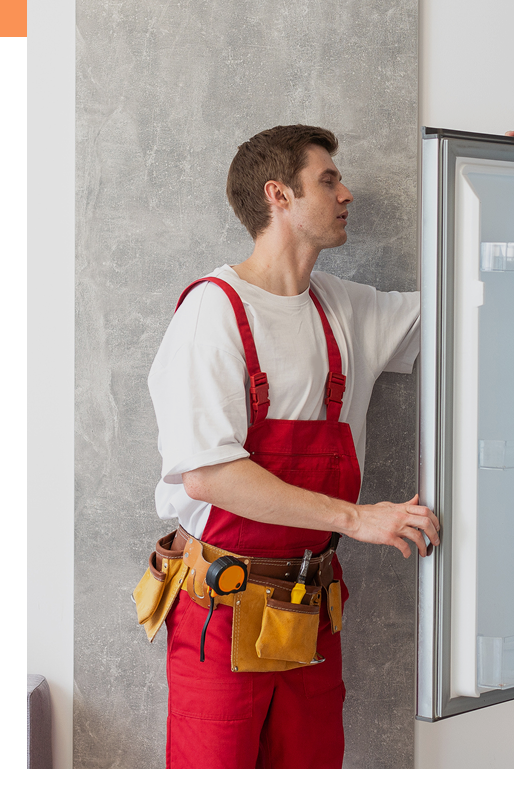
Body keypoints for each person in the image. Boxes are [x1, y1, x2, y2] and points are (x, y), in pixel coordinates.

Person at [145, 124, 440, 769]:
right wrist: (357, 519)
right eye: (328, 180)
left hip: (309, 614)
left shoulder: (345, 309)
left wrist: (500, 182)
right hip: (219, 612)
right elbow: (210, 476)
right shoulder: (212, 313)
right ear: (278, 195)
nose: (346, 193)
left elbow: (464, 309)